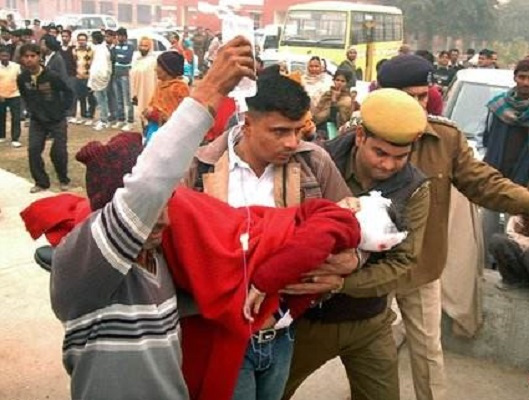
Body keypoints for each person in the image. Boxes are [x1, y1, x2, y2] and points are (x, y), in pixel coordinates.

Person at [49, 35, 256, 400]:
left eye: (168, 204)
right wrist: (209, 90)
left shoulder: (159, 259)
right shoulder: (83, 263)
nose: (164, 220)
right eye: (152, 207)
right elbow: (149, 183)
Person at [181, 69, 354, 400]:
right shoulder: (200, 167)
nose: (291, 142)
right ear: (246, 124)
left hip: (282, 335)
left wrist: (349, 262)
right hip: (220, 334)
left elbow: (347, 225)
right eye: (279, 131)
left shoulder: (313, 162)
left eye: (297, 130)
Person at [376, 54, 529, 400]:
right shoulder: (357, 136)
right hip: (370, 269)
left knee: (428, 351)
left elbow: (483, 183)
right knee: (374, 350)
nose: (416, 104)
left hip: (422, 264)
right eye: (406, 96)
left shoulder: (445, 138)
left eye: (422, 95)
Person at [283, 88, 431, 400]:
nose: (389, 166)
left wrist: (341, 281)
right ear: (361, 136)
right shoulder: (314, 162)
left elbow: (402, 263)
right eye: (381, 153)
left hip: (370, 321)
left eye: (400, 157)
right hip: (306, 321)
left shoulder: (415, 188)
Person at [482, 59, 529, 266]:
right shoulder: (498, 106)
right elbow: (486, 137)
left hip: (524, 183)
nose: (526, 82)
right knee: (486, 227)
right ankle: (484, 268)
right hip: (494, 176)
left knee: (515, 233)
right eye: (522, 77)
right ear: (515, 78)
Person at [17, 43, 73, 193]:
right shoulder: (22, 78)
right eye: (26, 57)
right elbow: (25, 96)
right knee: (33, 150)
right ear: (22, 59)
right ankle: (41, 182)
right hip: (37, 120)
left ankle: (63, 179)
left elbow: (68, 92)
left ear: (39, 57)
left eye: (32, 56)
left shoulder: (52, 76)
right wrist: (31, 111)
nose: (29, 59)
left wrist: (62, 110)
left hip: (57, 119)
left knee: (58, 151)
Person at [143, 52, 190, 143]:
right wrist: (148, 112)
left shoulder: (180, 88)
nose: (155, 69)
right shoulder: (160, 85)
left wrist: (159, 116)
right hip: (153, 129)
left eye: (158, 67)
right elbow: (152, 104)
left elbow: (182, 117)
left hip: (170, 135)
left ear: (168, 69)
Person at [490, 215, 529, 290]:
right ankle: (513, 280)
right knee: (497, 240)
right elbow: (510, 234)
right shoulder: (517, 218)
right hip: (521, 250)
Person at [312, 69, 354, 140]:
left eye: (342, 81)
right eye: (337, 80)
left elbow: (341, 120)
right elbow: (317, 113)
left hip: (337, 133)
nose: (339, 83)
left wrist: (334, 100)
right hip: (321, 129)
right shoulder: (327, 95)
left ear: (347, 83)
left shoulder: (348, 99)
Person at [130, 36, 157, 126]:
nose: (143, 48)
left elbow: (156, 79)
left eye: (145, 46)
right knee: (140, 115)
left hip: (149, 93)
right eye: (141, 45)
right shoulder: (137, 60)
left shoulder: (153, 61)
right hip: (137, 93)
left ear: (150, 47)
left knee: (149, 117)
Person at [88, 31, 112, 131]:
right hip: (97, 78)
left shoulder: (101, 50)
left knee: (102, 100)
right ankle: (103, 119)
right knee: (101, 99)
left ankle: (104, 120)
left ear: (95, 39)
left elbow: (101, 66)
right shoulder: (100, 49)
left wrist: (99, 78)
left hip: (100, 78)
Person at [112, 27, 134, 131]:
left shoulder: (130, 46)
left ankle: (130, 121)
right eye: (118, 36)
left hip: (125, 74)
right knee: (118, 99)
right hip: (116, 74)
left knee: (128, 99)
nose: (119, 37)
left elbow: (126, 58)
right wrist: (119, 56)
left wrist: (119, 56)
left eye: (121, 36)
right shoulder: (115, 46)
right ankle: (120, 119)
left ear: (125, 36)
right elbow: (113, 57)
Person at [0, 45, 22, 147]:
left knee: (16, 117)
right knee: (1, 116)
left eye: (6, 56)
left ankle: (15, 138)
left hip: (15, 95)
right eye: (2, 56)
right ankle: (1, 136)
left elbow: (20, 80)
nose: (4, 58)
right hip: (1, 96)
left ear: (10, 56)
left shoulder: (16, 67)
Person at [73, 32, 96, 125]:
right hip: (78, 76)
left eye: (83, 40)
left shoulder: (91, 50)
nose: (81, 41)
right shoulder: (75, 50)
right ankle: (83, 115)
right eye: (80, 40)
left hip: (88, 77)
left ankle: (90, 116)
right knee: (81, 97)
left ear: (86, 40)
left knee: (90, 97)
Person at [59, 30, 78, 123]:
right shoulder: (58, 49)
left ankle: (71, 113)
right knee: (62, 95)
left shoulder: (74, 49)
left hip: (72, 74)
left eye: (66, 36)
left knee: (72, 94)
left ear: (70, 37)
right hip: (61, 75)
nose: (64, 38)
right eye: (63, 36)